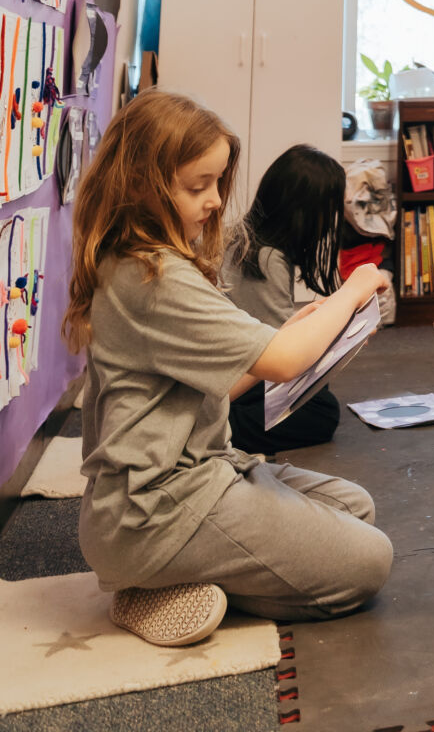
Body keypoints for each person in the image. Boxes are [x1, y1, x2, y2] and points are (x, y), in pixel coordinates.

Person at [65, 92, 393, 648]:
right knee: (370, 562)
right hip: (155, 514)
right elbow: (284, 362)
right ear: (141, 184)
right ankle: (155, 577)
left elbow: (232, 375)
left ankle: (175, 574)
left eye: (218, 183)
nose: (216, 201)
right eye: (198, 186)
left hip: (204, 471)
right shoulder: (153, 277)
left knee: (353, 507)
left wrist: (310, 320)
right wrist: (355, 286)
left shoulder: (145, 260)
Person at [224, 145, 349, 457]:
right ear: (304, 210)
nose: (332, 220)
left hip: (237, 368)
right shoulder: (266, 258)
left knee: (318, 395)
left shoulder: (250, 239)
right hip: (236, 378)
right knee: (321, 412)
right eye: (328, 210)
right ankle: (221, 427)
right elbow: (284, 350)